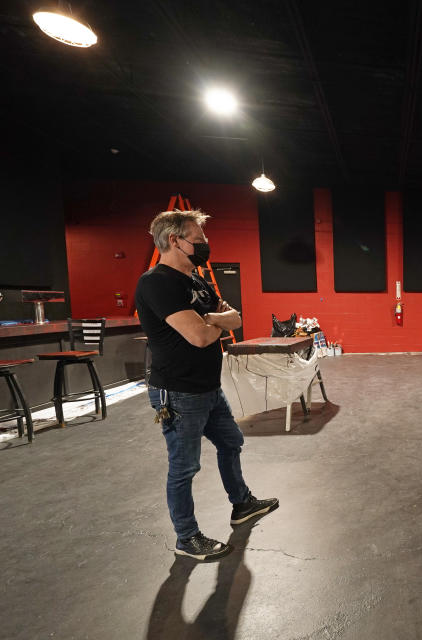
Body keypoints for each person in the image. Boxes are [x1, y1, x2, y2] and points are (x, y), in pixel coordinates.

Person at [135, 210, 278, 561]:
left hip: (208, 389)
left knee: (232, 442)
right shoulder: (157, 283)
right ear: (174, 241)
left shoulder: (197, 281)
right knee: (184, 467)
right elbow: (199, 337)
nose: (204, 247)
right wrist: (214, 322)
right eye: (198, 241)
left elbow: (235, 318)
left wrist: (211, 317)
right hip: (178, 392)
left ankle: (241, 503)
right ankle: (187, 537)